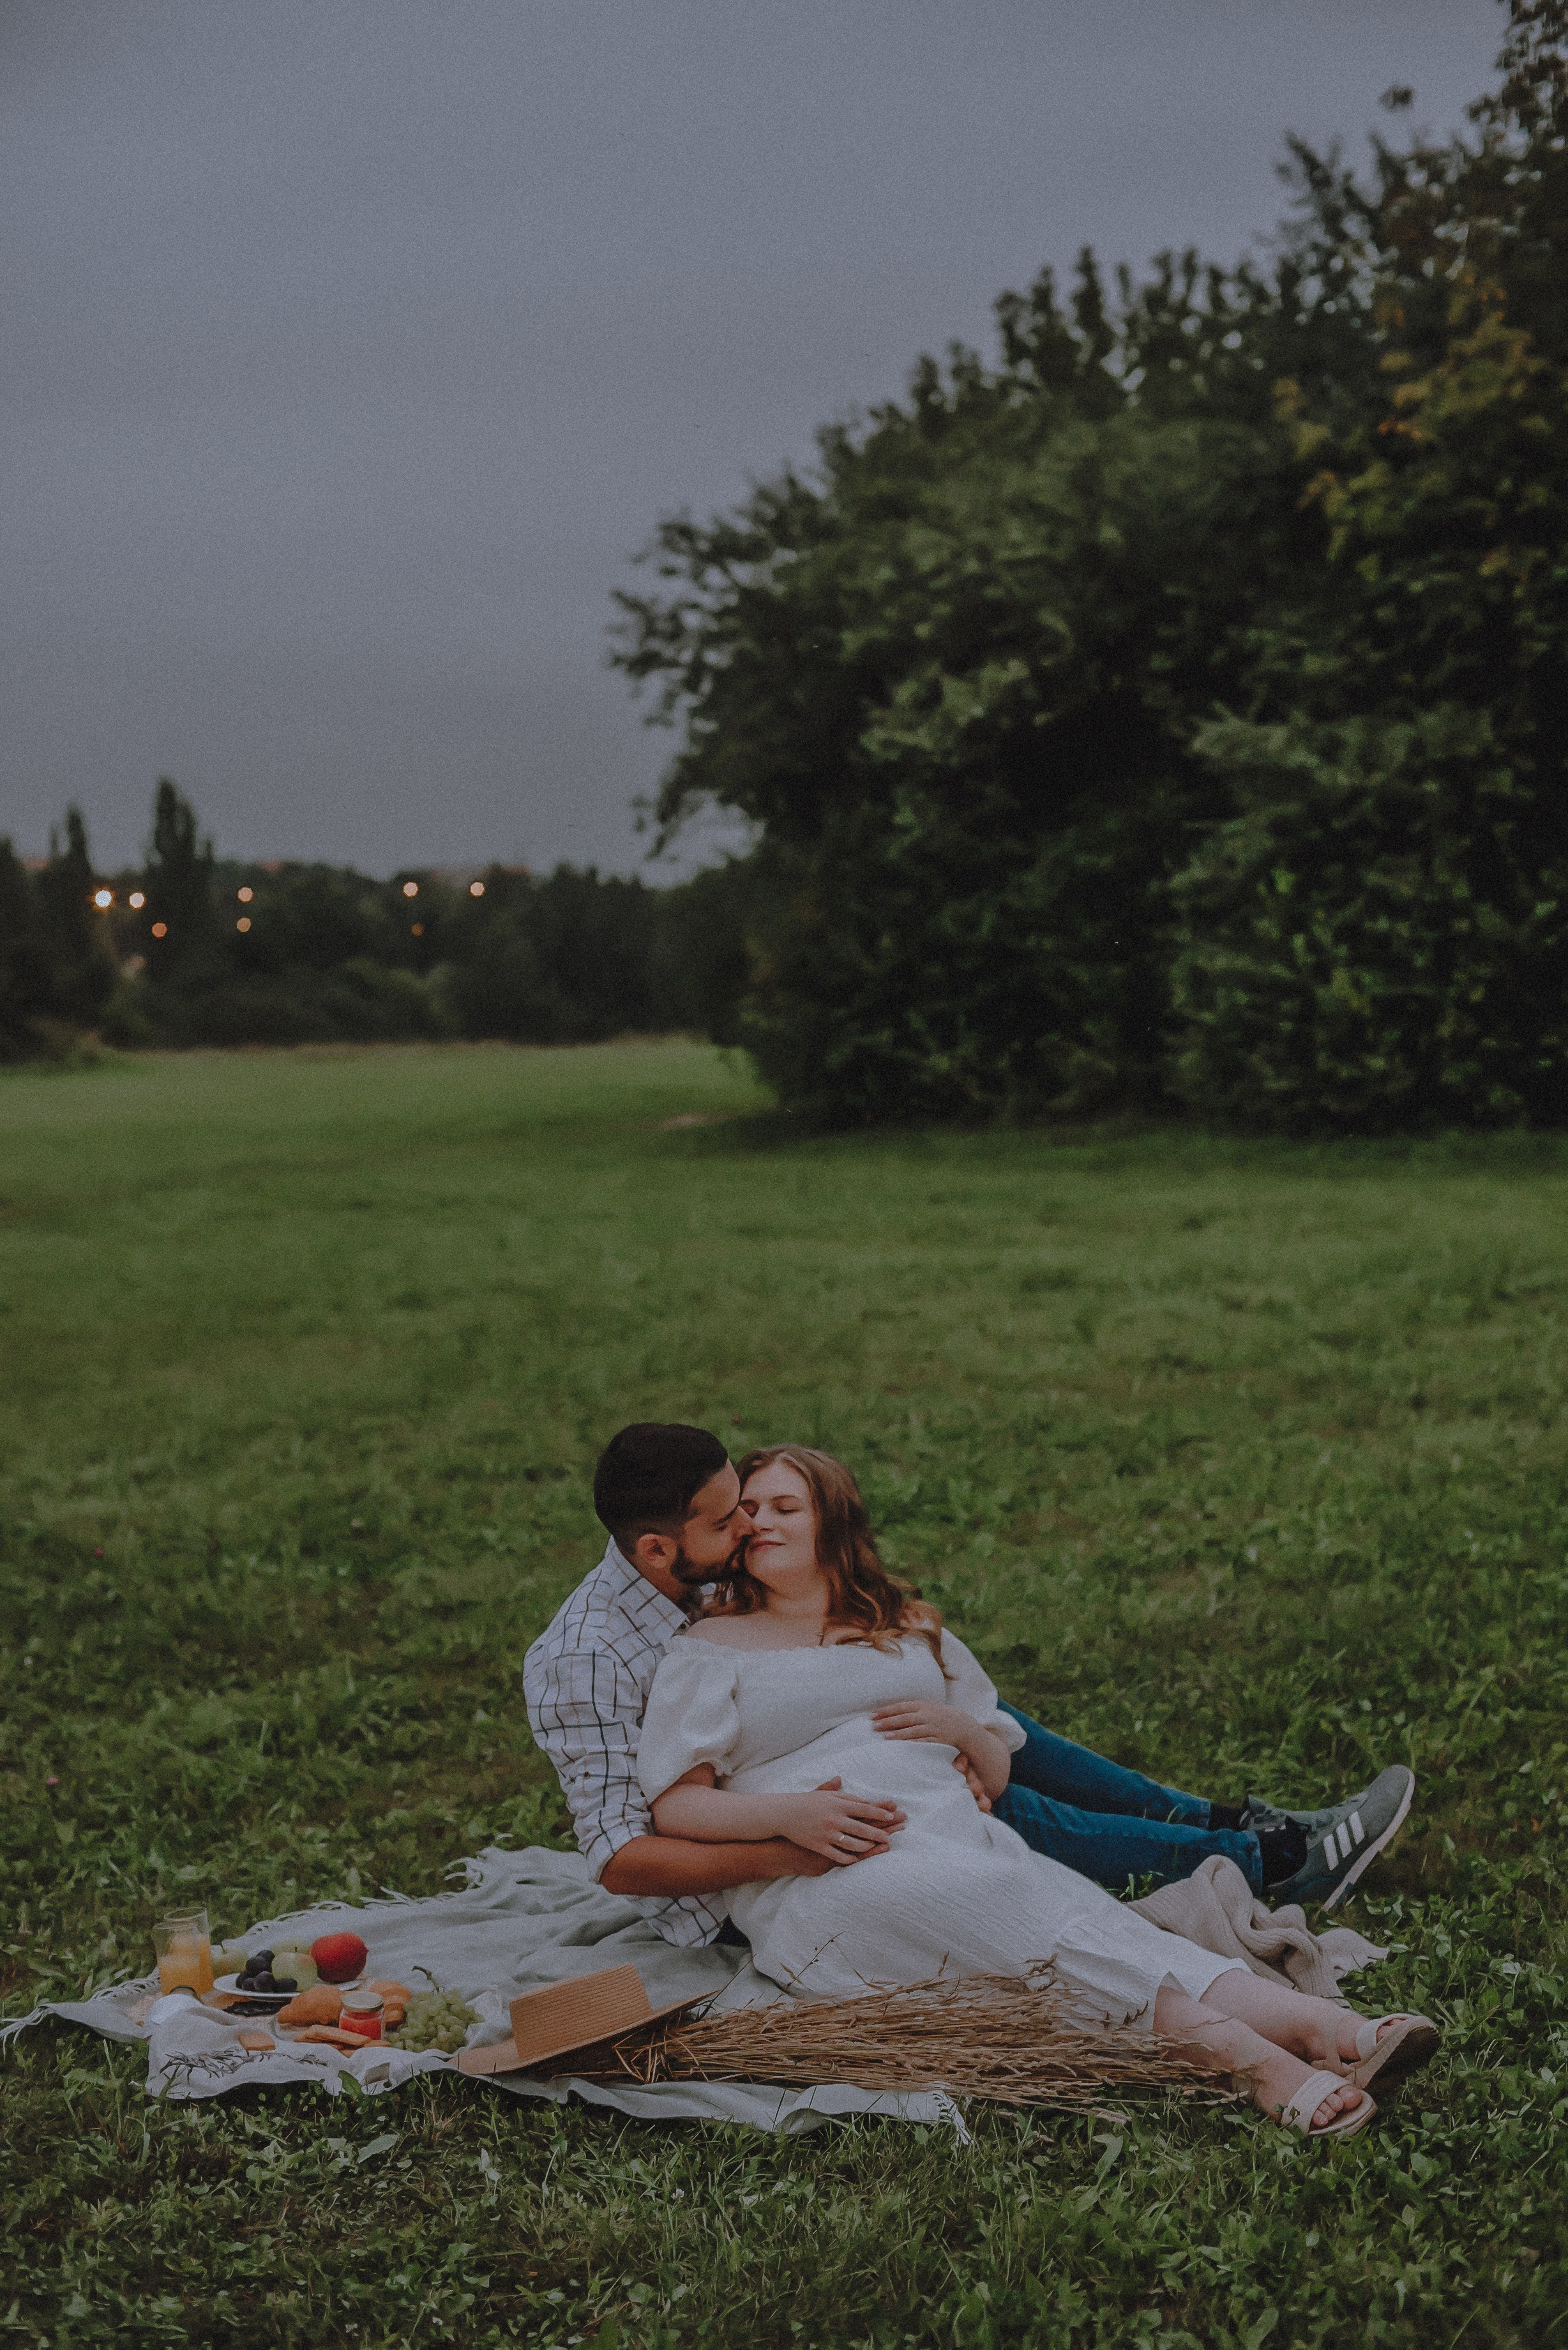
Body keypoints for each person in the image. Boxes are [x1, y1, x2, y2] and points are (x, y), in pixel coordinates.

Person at [633, 1443, 1438, 2139]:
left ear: (832, 1523)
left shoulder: (905, 1624)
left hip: (958, 1835)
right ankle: (1260, 2061)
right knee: (1000, 1906)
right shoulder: (710, 1648)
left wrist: (961, 1731)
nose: (759, 1522)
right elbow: (676, 1804)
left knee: (1081, 1921)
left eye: (785, 1505)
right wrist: (790, 1816)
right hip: (825, 1872)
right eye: (749, 1509)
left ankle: (1332, 2028)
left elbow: (997, 1770)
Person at [524, 1423, 1414, 1954]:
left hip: (798, 1778)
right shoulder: (585, 1658)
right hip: (739, 1868)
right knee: (947, 1800)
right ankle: (1280, 1866)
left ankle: (1226, 1821)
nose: (750, 1525)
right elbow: (621, 1858)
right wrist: (798, 1843)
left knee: (966, 1727)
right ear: (656, 1549)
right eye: (731, 1521)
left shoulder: (706, 1573)